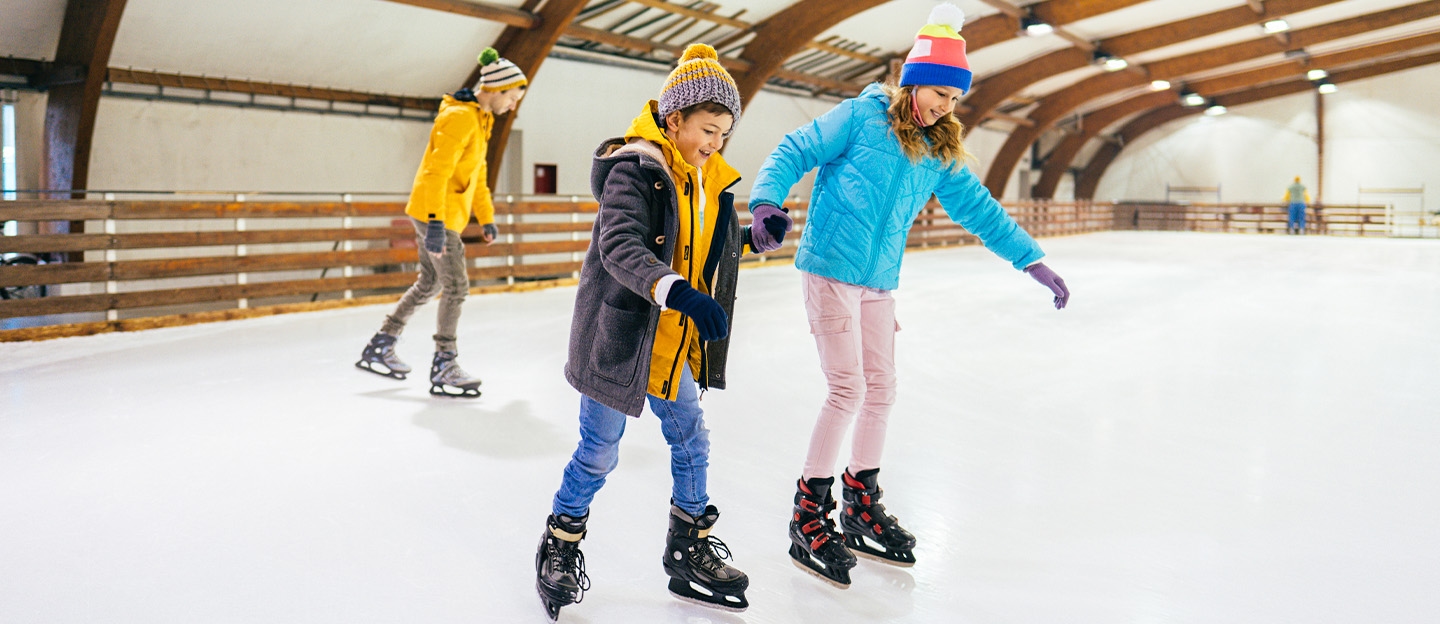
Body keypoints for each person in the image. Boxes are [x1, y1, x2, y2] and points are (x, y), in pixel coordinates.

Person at [747, 3, 1070, 588]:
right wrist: (767, 200)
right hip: (830, 269)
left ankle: (860, 503)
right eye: (939, 94)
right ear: (914, 82)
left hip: (878, 283)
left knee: (883, 390)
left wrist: (1032, 260)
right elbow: (793, 149)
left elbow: (980, 209)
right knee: (846, 390)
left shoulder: (940, 149)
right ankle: (808, 515)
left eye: (955, 99)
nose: (946, 107)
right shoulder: (859, 117)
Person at [533, 43, 790, 619]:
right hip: (622, 341)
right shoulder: (636, 169)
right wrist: (680, 292)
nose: (714, 143)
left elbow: (703, 247)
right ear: (674, 119)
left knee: (692, 442)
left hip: (672, 348)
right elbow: (620, 247)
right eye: (706, 129)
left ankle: (688, 546)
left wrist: (752, 238)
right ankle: (560, 541)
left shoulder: (705, 178)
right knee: (599, 453)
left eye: (724, 133)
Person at [355, 48, 527, 397]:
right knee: (456, 287)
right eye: (511, 98)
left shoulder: (481, 120)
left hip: (444, 214)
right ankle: (444, 363)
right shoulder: (460, 118)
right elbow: (436, 172)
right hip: (437, 214)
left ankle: (382, 342)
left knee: (432, 282)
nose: (513, 106)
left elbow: (477, 176)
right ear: (494, 89)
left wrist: (486, 218)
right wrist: (434, 221)